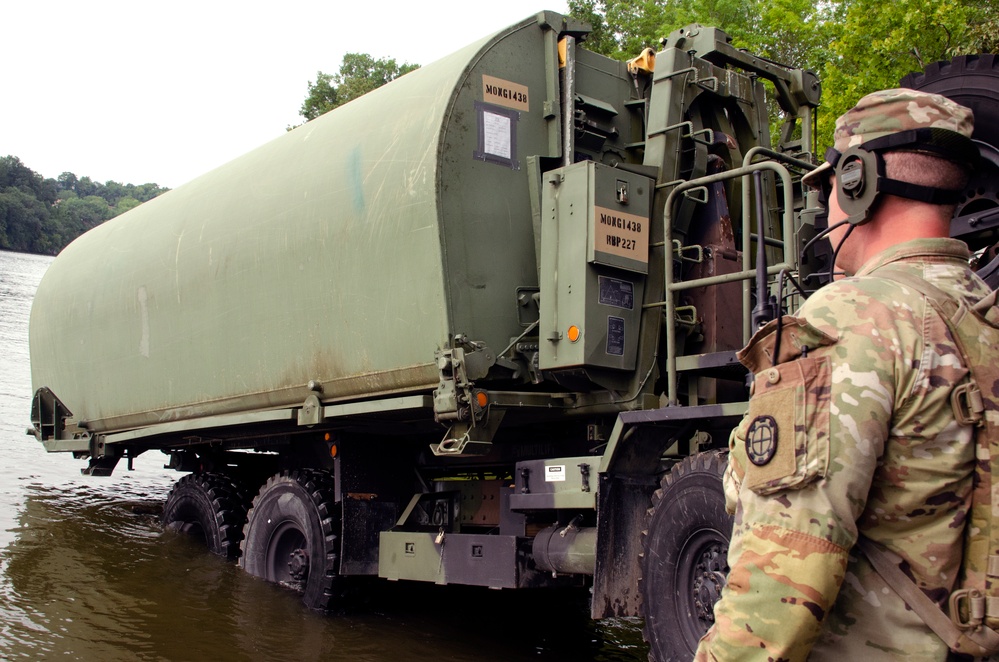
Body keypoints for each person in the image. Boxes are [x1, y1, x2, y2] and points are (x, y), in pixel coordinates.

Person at [694, 88, 993, 660]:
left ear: (857, 182)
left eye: (828, 186)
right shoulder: (984, 313)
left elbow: (781, 573)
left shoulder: (851, 316)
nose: (823, 209)